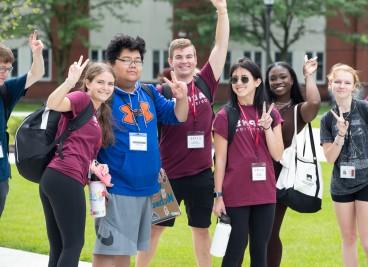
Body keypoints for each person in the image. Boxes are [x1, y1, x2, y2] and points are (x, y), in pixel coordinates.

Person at [136, 1, 229, 266]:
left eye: (189, 56)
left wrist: (222, 10)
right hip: (166, 176)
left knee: (201, 231)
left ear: (196, 59)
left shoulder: (206, 82)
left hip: (201, 175)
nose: (184, 61)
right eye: (179, 57)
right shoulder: (160, 92)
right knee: (155, 230)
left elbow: (220, 45)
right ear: (171, 61)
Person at [92, 34, 188, 267]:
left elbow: (178, 116)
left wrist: (181, 97)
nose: (133, 65)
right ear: (112, 64)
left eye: (138, 60)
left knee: (126, 250)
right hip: (117, 186)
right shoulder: (105, 94)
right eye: (127, 60)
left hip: (147, 187)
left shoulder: (149, 93)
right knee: (107, 250)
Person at [320, 63, 368, 267]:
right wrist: (341, 134)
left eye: (347, 82)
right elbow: (329, 158)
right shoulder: (327, 119)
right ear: (330, 84)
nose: (342, 86)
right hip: (341, 186)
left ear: (354, 86)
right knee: (348, 240)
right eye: (338, 81)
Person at [41, 57, 115, 267]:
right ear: (88, 82)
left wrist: (95, 170)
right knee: (74, 245)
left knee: (59, 246)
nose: (106, 87)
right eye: (100, 82)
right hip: (65, 177)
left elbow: (80, 148)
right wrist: (69, 81)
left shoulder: (95, 113)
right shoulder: (81, 99)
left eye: (110, 83)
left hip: (56, 178)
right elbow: (53, 103)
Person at [212, 58, 283, 266]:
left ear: (258, 82)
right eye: (234, 79)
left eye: (245, 78)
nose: (239, 83)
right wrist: (218, 196)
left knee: (260, 251)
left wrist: (267, 128)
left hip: (265, 193)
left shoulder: (271, 113)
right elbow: (220, 159)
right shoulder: (225, 115)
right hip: (235, 194)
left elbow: (278, 154)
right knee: (235, 250)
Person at [264, 56, 320, 266]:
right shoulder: (262, 106)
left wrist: (309, 75)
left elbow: (314, 102)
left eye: (283, 77)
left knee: (270, 231)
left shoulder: (298, 110)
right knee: (254, 233)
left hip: (280, 178)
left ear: (292, 80)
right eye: (273, 78)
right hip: (255, 175)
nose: (278, 81)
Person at [0, 31, 44, 217]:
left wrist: (37, 54)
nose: (4, 73)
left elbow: (36, 74)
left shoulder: (6, 91)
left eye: (7, 69)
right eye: (0, 67)